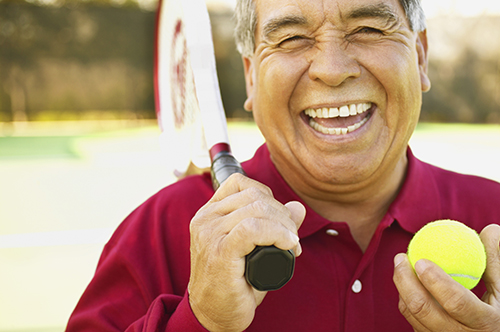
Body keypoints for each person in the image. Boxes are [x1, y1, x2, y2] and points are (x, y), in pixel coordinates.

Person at [66, 0, 500, 331]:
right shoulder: (158, 229)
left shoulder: (493, 215)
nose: (332, 70)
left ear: (420, 57)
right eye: (291, 38)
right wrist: (201, 321)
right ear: (252, 76)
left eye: (368, 28)